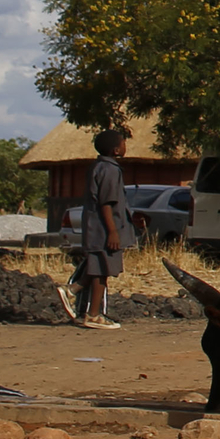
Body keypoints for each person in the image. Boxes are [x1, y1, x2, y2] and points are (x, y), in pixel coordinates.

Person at [59, 129, 133, 329]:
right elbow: (106, 203)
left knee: (100, 269)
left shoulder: (98, 166)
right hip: (103, 229)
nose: (126, 146)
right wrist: (113, 231)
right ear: (116, 149)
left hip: (96, 227)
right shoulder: (110, 170)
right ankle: (91, 313)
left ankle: (76, 294)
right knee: (101, 269)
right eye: (124, 143)